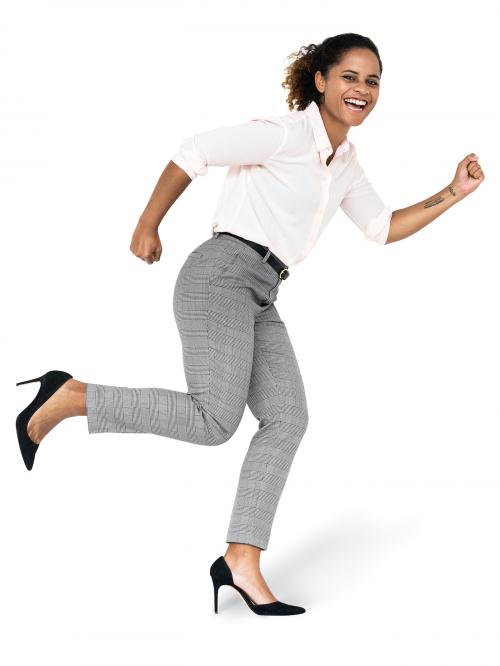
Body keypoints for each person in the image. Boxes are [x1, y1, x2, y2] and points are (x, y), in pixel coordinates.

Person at [15, 33, 484, 616]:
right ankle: (69, 397)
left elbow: (381, 227)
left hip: (262, 291)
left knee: (287, 417)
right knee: (215, 420)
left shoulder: (345, 162)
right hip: (220, 275)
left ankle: (241, 557)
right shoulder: (285, 133)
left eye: (372, 81)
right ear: (320, 80)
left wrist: (454, 193)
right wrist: (148, 222)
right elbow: (194, 150)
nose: (362, 90)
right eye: (349, 77)